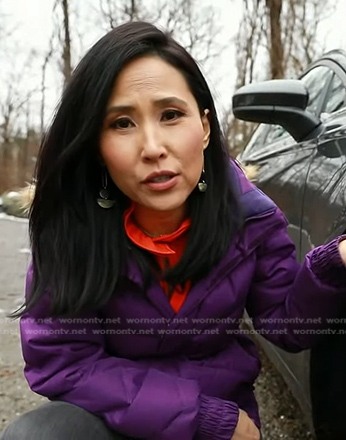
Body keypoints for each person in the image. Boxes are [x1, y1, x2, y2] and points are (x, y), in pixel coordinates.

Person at [1, 20, 346, 440]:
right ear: (97, 144)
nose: (152, 147)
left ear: (203, 127)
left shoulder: (250, 218)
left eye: (171, 115)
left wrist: (332, 264)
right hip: (117, 422)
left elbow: (286, 327)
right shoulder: (71, 228)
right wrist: (202, 418)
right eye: (122, 123)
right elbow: (64, 362)